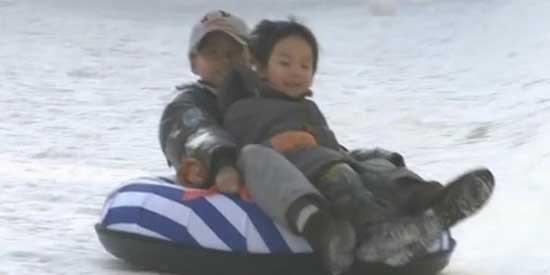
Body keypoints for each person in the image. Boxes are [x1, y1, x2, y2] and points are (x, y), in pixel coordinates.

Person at [217, 19, 495, 272]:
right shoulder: (245, 108)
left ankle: (429, 203)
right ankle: (374, 234)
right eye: (285, 63)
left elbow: (331, 145)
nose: (296, 72)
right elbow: (248, 156)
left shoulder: (309, 109)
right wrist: (280, 144)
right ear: (263, 68)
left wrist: (361, 161)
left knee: (378, 165)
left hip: (326, 161)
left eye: (305, 65)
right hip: (297, 173)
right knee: (340, 174)